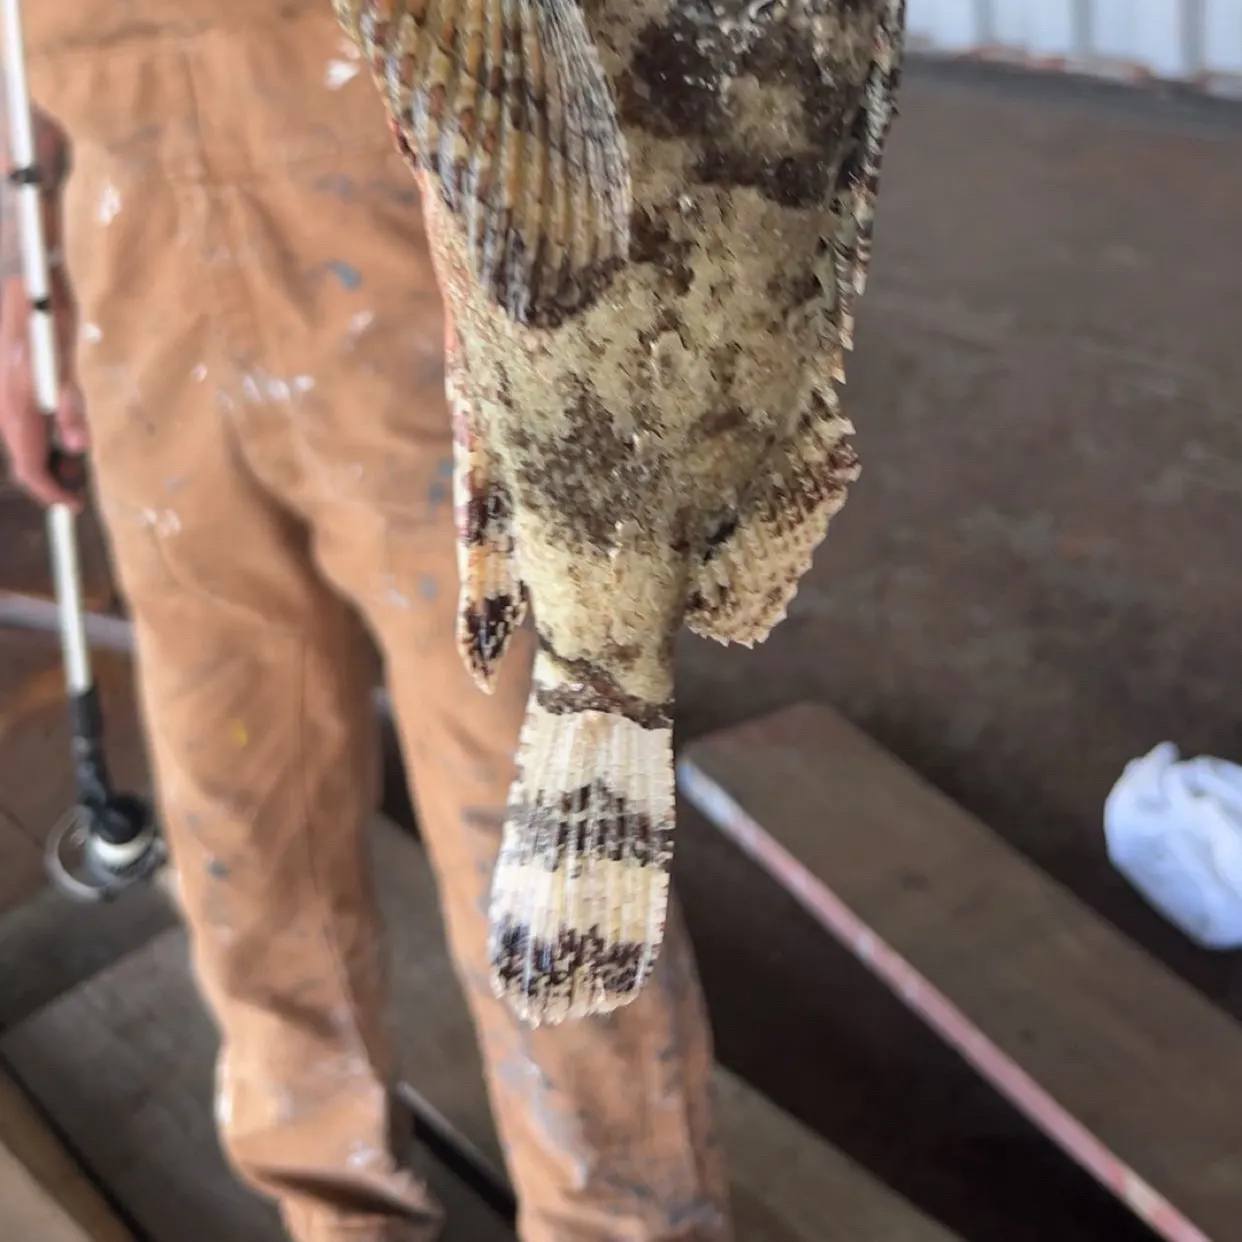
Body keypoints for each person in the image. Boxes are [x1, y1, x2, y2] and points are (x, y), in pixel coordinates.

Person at [0, 5, 730, 1241]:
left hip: (427, 247)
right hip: (137, 274)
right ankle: (335, 1208)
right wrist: (18, 283)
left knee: (542, 806)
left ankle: (625, 1217)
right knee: (241, 808)